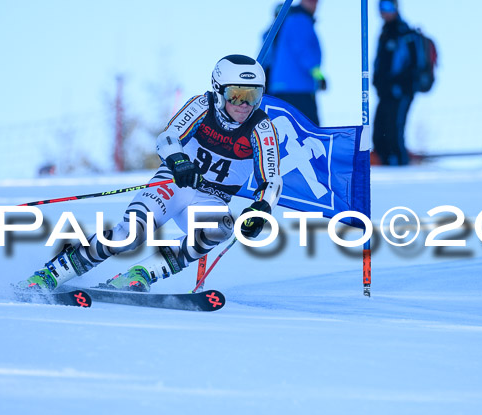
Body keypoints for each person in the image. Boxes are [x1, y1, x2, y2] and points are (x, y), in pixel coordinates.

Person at [23, 55, 283, 292]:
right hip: (175, 184)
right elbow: (168, 137)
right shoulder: (201, 106)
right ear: (218, 91)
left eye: (253, 96)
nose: (244, 105)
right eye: (236, 95)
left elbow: (271, 180)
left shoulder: (261, 127)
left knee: (221, 228)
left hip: (210, 201)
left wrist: (261, 209)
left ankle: (141, 274)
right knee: (131, 234)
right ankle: (53, 273)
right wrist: (179, 161)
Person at [267, 0, 326, 126]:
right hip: (297, 89)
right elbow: (304, 51)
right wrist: (319, 76)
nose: (315, 4)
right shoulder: (300, 19)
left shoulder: (291, 20)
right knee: (310, 134)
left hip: (282, 87)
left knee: (285, 132)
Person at [372, 0, 416, 166]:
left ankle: (399, 166)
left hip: (399, 92)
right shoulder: (385, 32)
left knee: (393, 132)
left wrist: (398, 85)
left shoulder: (404, 33)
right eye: (382, 7)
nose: (385, 12)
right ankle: (383, 163)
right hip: (385, 93)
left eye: (389, 7)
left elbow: (410, 66)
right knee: (379, 133)